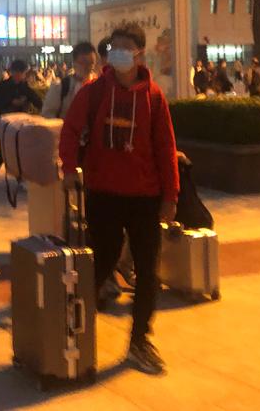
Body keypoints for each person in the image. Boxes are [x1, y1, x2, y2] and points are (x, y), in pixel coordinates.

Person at [58, 21, 179, 374]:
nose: (119, 53)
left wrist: (170, 196)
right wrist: (68, 168)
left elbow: (166, 148)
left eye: (126, 47)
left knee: (147, 271)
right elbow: (70, 130)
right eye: (115, 47)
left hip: (145, 197)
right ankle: (74, 330)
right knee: (101, 264)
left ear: (140, 54)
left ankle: (140, 340)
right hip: (104, 194)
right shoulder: (94, 92)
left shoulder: (154, 97)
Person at [0, 59, 43, 178]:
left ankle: (21, 177)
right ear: (14, 72)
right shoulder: (2, 86)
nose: (24, 76)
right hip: (6, 124)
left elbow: (37, 100)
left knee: (21, 150)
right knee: (4, 148)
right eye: (23, 73)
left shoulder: (24, 87)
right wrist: (11, 102)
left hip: (21, 125)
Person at [42, 41, 97, 118]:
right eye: (83, 63)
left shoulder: (98, 85)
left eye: (91, 63)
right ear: (74, 63)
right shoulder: (61, 87)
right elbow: (47, 115)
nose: (88, 68)